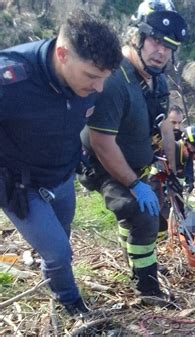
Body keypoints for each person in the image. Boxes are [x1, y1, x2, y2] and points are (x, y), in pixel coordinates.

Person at [0, 10, 122, 315]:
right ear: (62, 54)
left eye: (104, 79)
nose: (98, 88)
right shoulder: (12, 79)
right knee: (58, 252)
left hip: (63, 176)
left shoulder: (90, 84)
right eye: (92, 77)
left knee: (60, 237)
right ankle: (69, 301)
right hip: (20, 185)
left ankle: (50, 265)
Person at [78, 0, 187, 305]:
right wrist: (134, 184)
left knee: (158, 213)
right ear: (136, 36)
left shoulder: (157, 80)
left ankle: (138, 257)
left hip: (138, 162)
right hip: (103, 166)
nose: (161, 51)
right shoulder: (115, 81)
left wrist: (170, 170)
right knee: (140, 214)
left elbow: (165, 126)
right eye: (155, 40)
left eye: (168, 46)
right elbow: (101, 143)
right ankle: (147, 286)